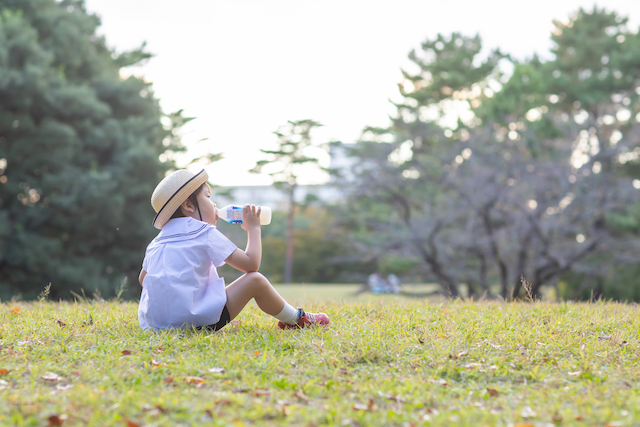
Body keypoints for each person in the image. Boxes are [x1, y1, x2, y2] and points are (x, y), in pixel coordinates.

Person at [137, 169, 330, 331]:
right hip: (197, 324)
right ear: (188, 205)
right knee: (256, 281)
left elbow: (143, 279)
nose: (214, 205)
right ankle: (296, 319)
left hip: (155, 326)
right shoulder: (204, 231)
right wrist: (253, 229)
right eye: (208, 197)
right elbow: (251, 265)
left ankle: (183, 313)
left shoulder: (156, 242)